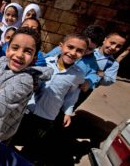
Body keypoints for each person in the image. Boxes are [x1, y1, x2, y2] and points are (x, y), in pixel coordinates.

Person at [10, 33, 88, 162]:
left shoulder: (78, 75)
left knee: (33, 145)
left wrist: (68, 112)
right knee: (13, 135)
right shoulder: (45, 62)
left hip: (47, 116)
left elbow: (72, 94)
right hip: (27, 108)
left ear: (84, 53)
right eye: (70, 47)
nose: (73, 53)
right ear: (61, 46)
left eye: (79, 51)